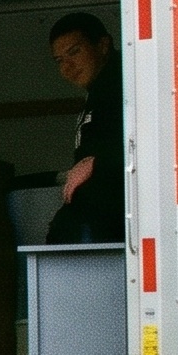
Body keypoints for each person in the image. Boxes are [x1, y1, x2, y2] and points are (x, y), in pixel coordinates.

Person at [44, 13, 125, 245]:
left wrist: (96, 162)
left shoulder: (125, 84)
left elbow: (153, 140)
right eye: (59, 60)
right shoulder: (100, 90)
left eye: (74, 52)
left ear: (102, 45)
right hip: (93, 227)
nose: (67, 67)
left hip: (111, 228)